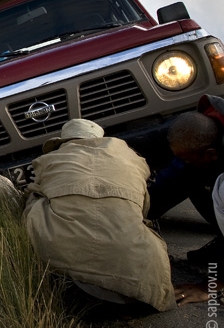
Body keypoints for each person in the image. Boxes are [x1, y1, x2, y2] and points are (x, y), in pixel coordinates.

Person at [24, 119, 175, 311]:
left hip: (74, 282)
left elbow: (30, 194)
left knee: (34, 199)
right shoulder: (133, 160)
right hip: (140, 289)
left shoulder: (50, 160)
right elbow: (144, 210)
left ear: (63, 142)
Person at [148, 95, 224, 264]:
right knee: (188, 173)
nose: (184, 162)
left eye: (187, 159)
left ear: (211, 153)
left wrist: (210, 284)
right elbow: (173, 178)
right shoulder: (203, 133)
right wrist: (136, 212)